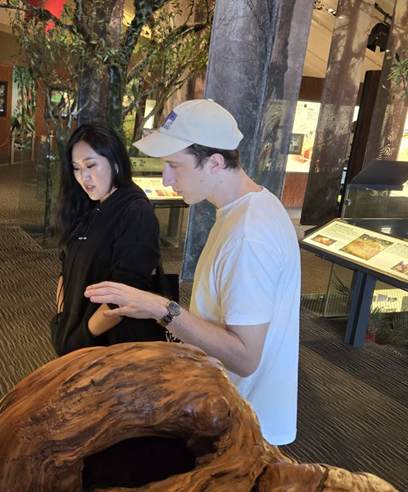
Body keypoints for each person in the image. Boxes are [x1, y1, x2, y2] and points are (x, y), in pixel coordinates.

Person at [85, 100, 301, 445]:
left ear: (214, 163)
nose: (166, 178)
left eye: (174, 165)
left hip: (241, 427)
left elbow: (245, 357)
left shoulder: (249, 233)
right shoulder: (249, 208)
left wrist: (162, 309)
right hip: (226, 409)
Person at [51, 122, 167, 356]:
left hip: (109, 348)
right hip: (77, 341)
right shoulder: (89, 205)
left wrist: (82, 336)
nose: (83, 177)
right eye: (75, 168)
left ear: (115, 162)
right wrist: (63, 319)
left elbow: (125, 295)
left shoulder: (135, 212)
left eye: (91, 165)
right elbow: (66, 267)